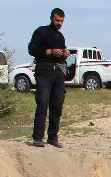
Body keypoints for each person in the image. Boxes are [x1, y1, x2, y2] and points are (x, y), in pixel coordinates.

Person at [28, 8, 68, 148]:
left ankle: (53, 138)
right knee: (43, 103)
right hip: (44, 71)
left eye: (62, 21)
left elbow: (61, 54)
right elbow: (32, 49)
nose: (59, 23)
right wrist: (50, 51)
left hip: (58, 73)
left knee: (57, 106)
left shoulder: (61, 36)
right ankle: (38, 138)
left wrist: (64, 54)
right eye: (57, 20)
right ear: (51, 18)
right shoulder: (41, 31)